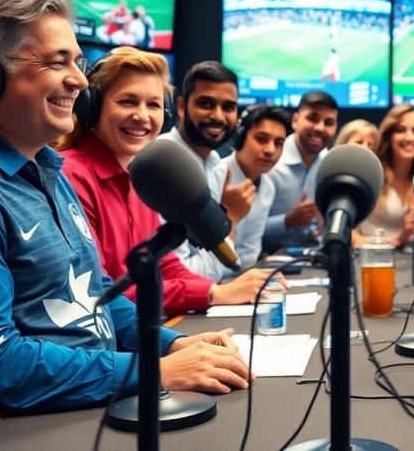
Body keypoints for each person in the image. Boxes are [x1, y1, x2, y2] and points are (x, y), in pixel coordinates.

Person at [0, 0, 249, 446]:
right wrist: (153, 371)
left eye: (77, 62)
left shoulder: (46, 167)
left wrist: (170, 344)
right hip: (3, 433)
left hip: (82, 409)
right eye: (56, 62)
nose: (79, 81)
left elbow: (96, 297)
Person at [55, 48, 280, 315]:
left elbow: (165, 264)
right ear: (92, 107)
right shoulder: (71, 176)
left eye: (153, 104)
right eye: (128, 101)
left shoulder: (142, 174)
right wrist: (215, 293)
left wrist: (226, 290)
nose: (142, 116)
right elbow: (102, 289)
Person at [161, 61, 254, 272]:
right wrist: (229, 220)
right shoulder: (163, 166)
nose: (218, 116)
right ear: (182, 107)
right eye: (206, 104)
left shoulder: (216, 166)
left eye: (228, 107)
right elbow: (181, 274)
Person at [193, 105, 291, 279]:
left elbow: (248, 255)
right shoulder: (214, 176)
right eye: (261, 139)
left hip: (235, 278)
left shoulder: (268, 186)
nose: (270, 150)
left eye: (279, 143)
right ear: (239, 138)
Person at [263, 91, 338, 253]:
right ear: (295, 121)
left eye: (329, 122)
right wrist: (287, 221)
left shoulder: (331, 166)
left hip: (312, 260)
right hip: (265, 261)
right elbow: (242, 230)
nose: (320, 128)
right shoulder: (269, 161)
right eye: (313, 118)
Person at [354, 104, 414, 247]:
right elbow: (351, 235)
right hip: (367, 258)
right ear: (389, 135)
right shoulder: (371, 174)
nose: (409, 138)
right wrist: (396, 240)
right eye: (401, 130)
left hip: (408, 262)